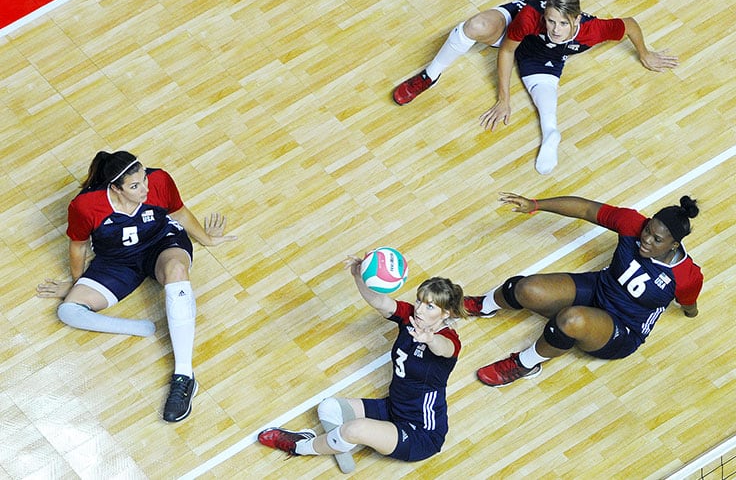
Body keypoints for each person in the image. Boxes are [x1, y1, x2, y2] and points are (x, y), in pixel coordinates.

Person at [36, 150, 236, 422]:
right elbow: (78, 245)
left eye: (144, 180)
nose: (145, 189)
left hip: (162, 245)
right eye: (135, 186)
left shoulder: (160, 180)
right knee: (68, 311)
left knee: (177, 271)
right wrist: (76, 283)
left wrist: (206, 239)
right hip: (117, 262)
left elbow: (179, 212)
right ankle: (140, 328)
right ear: (115, 188)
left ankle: (184, 376)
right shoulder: (85, 206)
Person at [392, 0, 679, 174]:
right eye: (551, 21)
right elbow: (507, 50)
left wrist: (645, 53)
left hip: (542, 57)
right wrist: (504, 99)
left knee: (546, 102)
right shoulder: (530, 18)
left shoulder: (594, 30)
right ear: (545, 14)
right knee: (474, 26)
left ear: (576, 20)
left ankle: (551, 134)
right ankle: (429, 76)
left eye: (563, 24)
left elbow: (629, 23)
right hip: (514, 34)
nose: (555, 28)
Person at [465, 192, 702, 387]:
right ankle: (485, 306)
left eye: (657, 240)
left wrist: (691, 313)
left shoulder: (686, 276)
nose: (647, 239)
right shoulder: (632, 224)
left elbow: (689, 305)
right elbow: (587, 209)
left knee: (570, 321)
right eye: (648, 230)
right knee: (525, 288)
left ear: (674, 245)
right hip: (598, 289)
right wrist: (535, 204)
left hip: (623, 329)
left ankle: (525, 364)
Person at [258, 255, 467, 470]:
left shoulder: (448, 340)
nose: (420, 310)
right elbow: (381, 302)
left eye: (430, 306)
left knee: (354, 430)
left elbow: (445, 349)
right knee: (328, 407)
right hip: (392, 407)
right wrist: (359, 277)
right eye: (419, 301)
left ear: (446, 313)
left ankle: (300, 446)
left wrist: (430, 339)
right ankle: (338, 446)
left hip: (420, 433)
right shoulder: (410, 318)